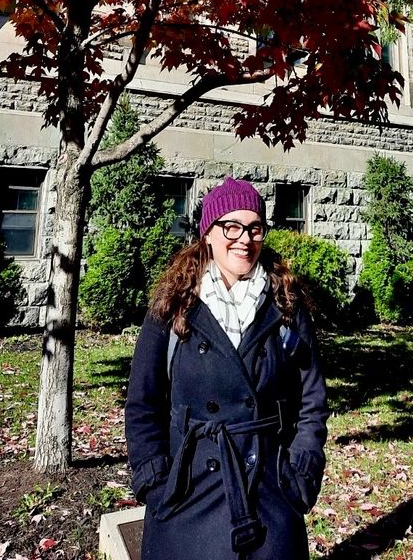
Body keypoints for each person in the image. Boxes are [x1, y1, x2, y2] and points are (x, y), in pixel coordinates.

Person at [125, 177, 329, 560]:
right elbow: (143, 401)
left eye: (254, 227)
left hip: (270, 492)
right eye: (231, 226)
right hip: (188, 494)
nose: (244, 238)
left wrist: (301, 471)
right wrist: (154, 480)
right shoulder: (174, 304)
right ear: (208, 233)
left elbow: (312, 397)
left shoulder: (285, 303)